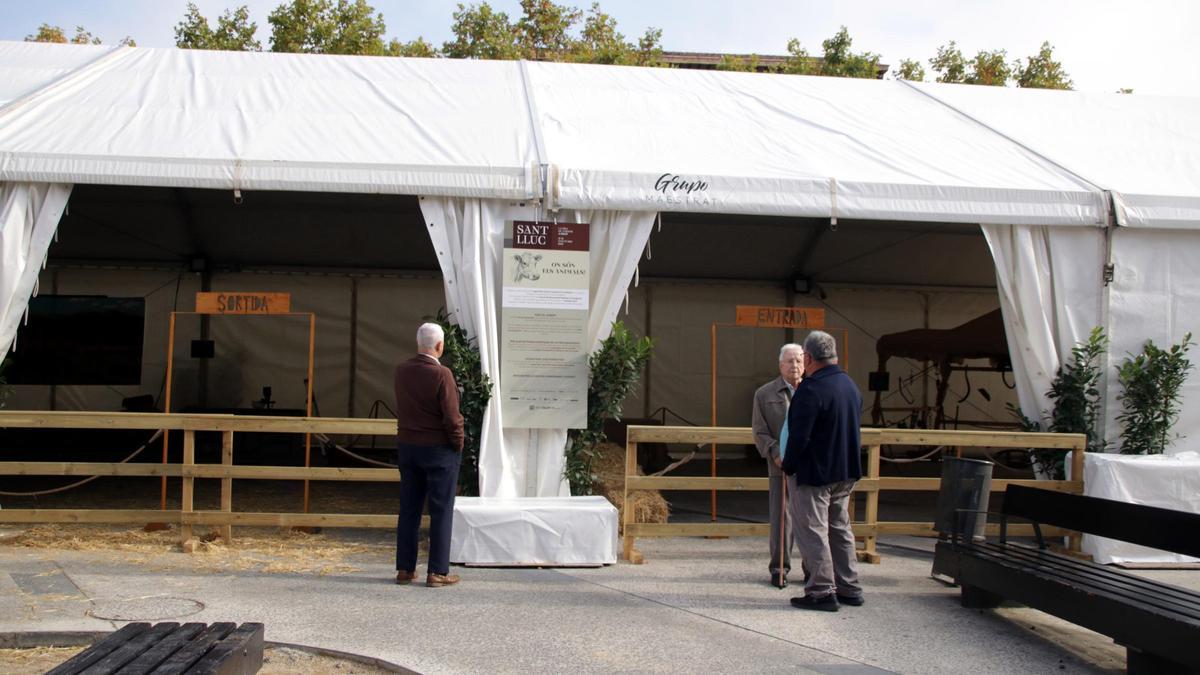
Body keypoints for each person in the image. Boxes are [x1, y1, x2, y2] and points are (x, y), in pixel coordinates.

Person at [781, 330, 864, 611]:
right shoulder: (850, 385)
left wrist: (788, 465)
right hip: (846, 470)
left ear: (808, 357)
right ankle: (849, 586)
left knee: (813, 531)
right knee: (840, 528)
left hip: (816, 473)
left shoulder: (811, 389)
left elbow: (799, 436)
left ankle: (821, 590)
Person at [394, 322, 465, 587]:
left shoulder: (401, 371)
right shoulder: (442, 374)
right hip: (438, 449)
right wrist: (458, 443)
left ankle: (404, 568)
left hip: (408, 445)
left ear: (418, 344)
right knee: (441, 509)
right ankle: (437, 571)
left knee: (409, 509)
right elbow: (451, 416)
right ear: (440, 346)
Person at [751, 343, 804, 588]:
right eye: (790, 361)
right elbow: (759, 431)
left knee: (810, 519)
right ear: (780, 364)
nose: (795, 365)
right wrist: (774, 452)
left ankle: (813, 569)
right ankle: (779, 568)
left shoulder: (813, 390)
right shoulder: (765, 393)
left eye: (799, 360)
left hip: (809, 467)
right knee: (781, 519)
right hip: (780, 465)